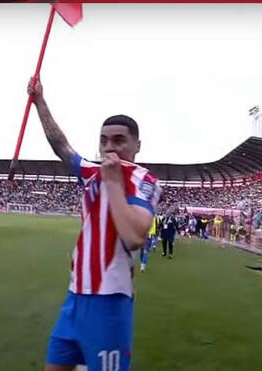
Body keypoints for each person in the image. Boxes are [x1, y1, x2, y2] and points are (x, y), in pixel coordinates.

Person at [28, 78, 162, 371]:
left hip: (109, 301)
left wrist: (114, 183)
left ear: (136, 145)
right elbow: (61, 146)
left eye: (118, 140)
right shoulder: (90, 172)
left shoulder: (143, 180)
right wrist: (39, 101)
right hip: (76, 296)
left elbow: (134, 237)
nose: (109, 147)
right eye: (103, 140)